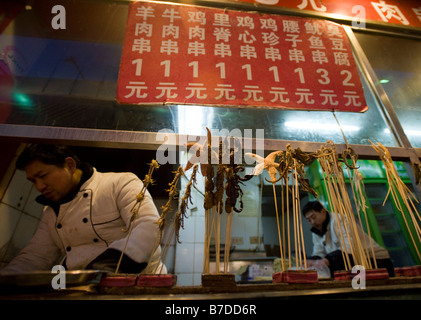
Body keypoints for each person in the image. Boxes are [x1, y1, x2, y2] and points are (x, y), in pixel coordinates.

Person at [0, 144, 166, 275]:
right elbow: (36, 256)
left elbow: (149, 227)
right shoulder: (51, 211)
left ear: (70, 165)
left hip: (136, 284)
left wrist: (103, 268)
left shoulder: (120, 183)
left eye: (43, 176)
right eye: (33, 181)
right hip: (83, 288)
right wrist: (7, 278)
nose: (39, 186)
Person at [303, 200, 395, 277]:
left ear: (323, 211)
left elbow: (349, 248)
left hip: (374, 261)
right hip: (350, 263)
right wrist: (312, 261)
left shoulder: (339, 220)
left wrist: (326, 261)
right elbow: (319, 251)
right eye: (309, 220)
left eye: (313, 217)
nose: (312, 222)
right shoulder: (316, 230)